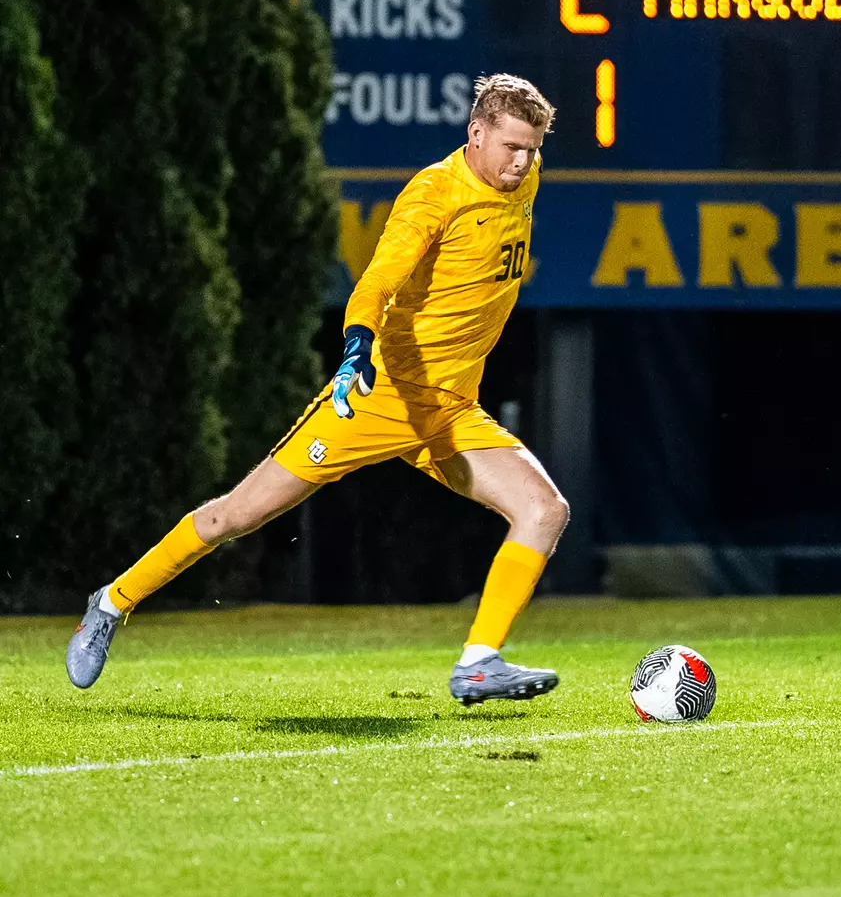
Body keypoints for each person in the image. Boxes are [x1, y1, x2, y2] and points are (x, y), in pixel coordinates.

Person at [67, 73, 570, 705]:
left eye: (532, 148)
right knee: (235, 516)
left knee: (544, 510)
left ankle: (478, 662)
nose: (522, 162)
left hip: (450, 411)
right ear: (476, 134)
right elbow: (377, 280)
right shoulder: (434, 195)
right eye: (511, 147)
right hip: (377, 398)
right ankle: (111, 603)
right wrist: (357, 343)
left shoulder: (525, 175)